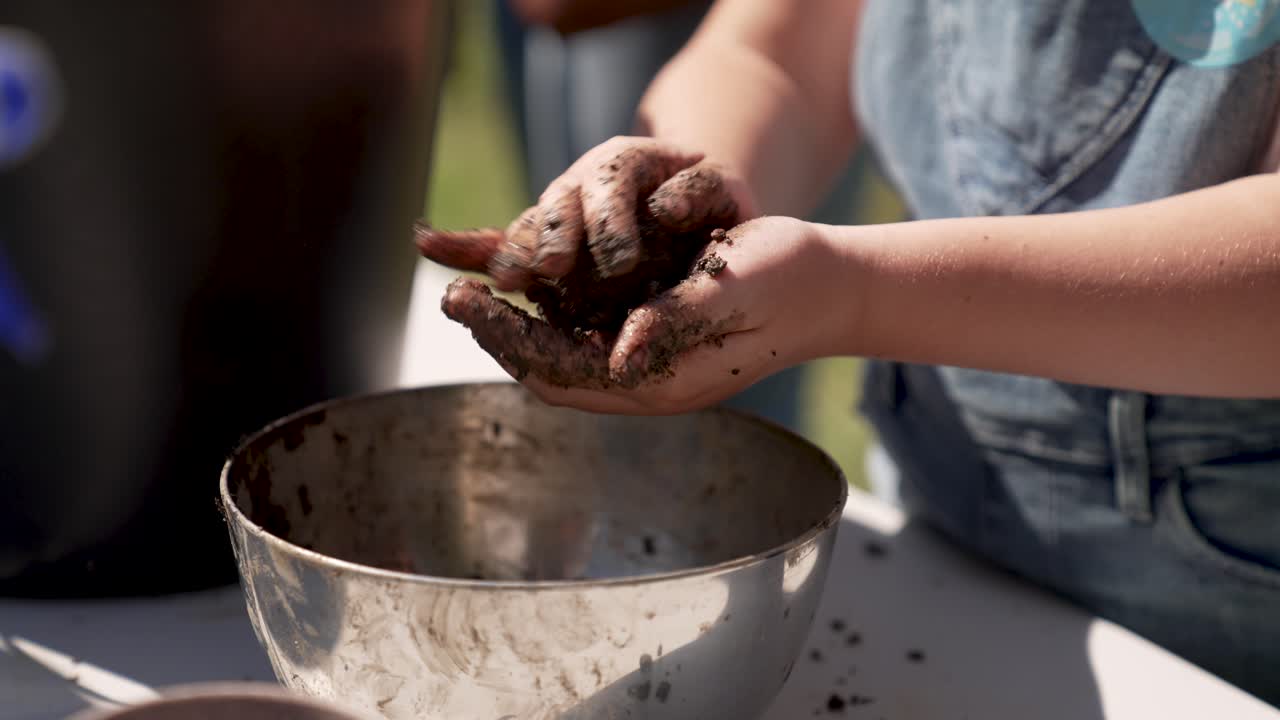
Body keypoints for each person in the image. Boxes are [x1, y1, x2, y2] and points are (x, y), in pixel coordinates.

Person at [417, 0, 1280, 704]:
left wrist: (856, 294)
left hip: (1223, 626)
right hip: (939, 540)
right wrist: (691, 194)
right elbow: (777, 50)